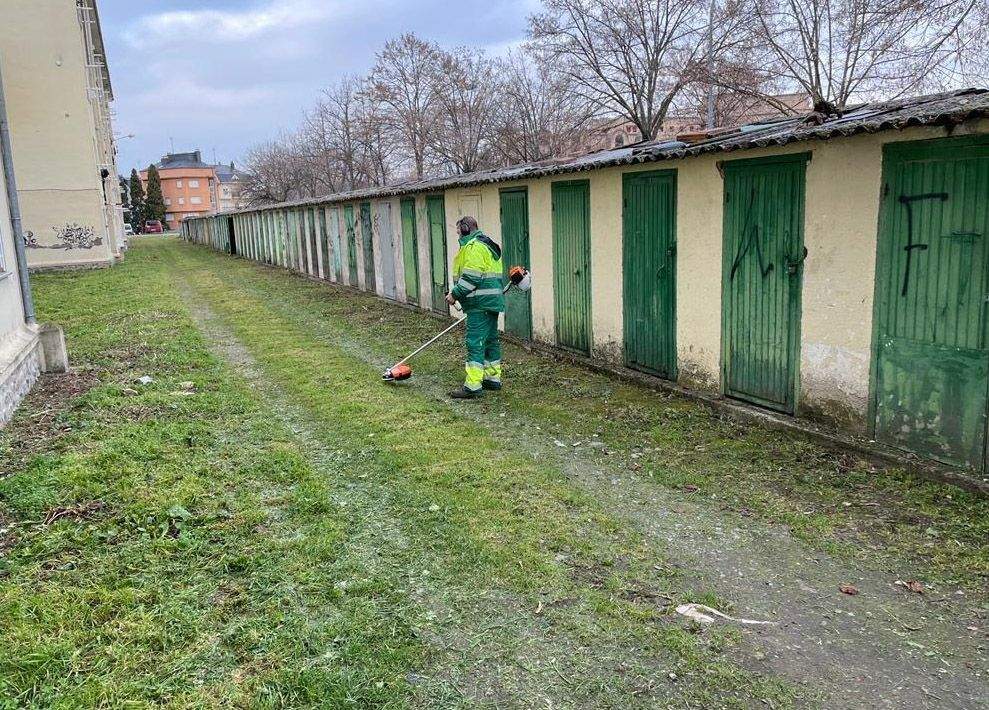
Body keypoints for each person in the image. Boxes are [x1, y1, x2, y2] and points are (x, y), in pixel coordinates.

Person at [445, 216, 504, 399]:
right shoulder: (486, 245)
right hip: (490, 303)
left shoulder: (474, 247)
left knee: (475, 342)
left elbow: (471, 278)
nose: (458, 235)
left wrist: (454, 294)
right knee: (490, 341)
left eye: (458, 231)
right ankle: (492, 378)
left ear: (465, 228)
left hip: (479, 304)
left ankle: (472, 385)